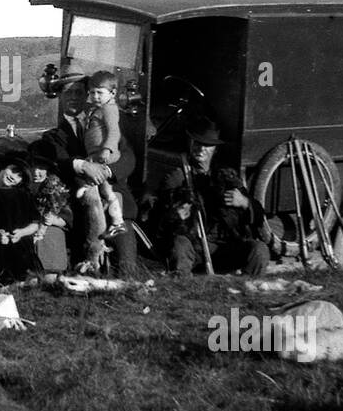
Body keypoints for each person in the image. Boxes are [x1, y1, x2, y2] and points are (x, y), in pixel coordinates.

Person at [37, 77, 140, 276]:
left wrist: (107, 171)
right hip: (81, 209)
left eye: (79, 92)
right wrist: (84, 166)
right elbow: (60, 158)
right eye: (68, 93)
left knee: (126, 267)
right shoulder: (54, 136)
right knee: (84, 270)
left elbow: (128, 157)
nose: (74, 97)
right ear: (60, 97)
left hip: (114, 203)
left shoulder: (103, 124)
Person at [155, 116, 269, 276]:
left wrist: (244, 202)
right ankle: (182, 284)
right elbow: (159, 221)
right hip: (194, 248)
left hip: (226, 245)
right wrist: (176, 215)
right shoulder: (177, 177)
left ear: (215, 149)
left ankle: (248, 288)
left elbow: (258, 215)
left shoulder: (227, 176)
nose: (201, 149)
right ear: (190, 143)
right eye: (197, 143)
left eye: (207, 145)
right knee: (180, 244)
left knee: (259, 250)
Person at [0, 152, 41, 284]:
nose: (14, 177)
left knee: (31, 281)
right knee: (0, 282)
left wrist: (21, 233)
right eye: (13, 170)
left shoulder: (23, 195)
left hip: (21, 247)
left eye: (19, 176)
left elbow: (35, 224)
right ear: (4, 167)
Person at [77, 70, 126, 237]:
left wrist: (107, 149)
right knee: (106, 190)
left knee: (106, 189)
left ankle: (117, 221)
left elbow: (114, 132)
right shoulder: (98, 108)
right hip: (95, 154)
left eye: (100, 92)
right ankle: (116, 221)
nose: (95, 96)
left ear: (112, 93)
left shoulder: (109, 109)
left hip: (104, 154)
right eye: (92, 92)